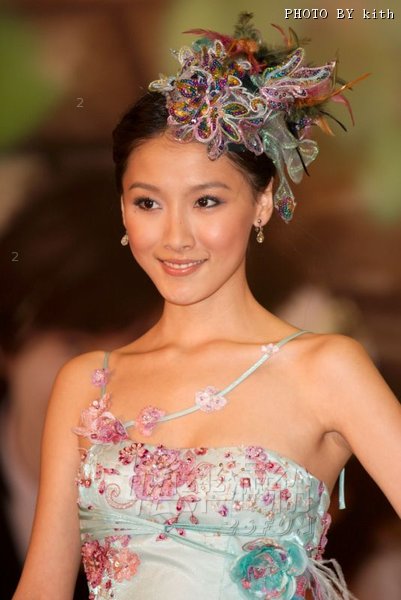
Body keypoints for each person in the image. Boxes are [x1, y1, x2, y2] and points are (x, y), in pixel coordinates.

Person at [13, 13, 401, 600]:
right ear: (123, 211)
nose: (175, 237)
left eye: (207, 202)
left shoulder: (326, 369)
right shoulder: (87, 383)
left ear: (262, 202)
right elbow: (41, 587)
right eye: (148, 203)